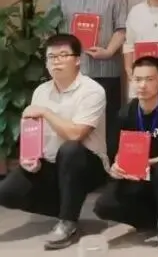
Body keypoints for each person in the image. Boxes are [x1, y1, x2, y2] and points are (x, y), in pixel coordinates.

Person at [0, 34, 109, 250]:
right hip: (51, 164)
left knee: (70, 149)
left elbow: (76, 134)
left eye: (63, 55)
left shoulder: (92, 90)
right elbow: (33, 131)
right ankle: (67, 207)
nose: (56, 61)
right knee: (7, 193)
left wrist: (46, 112)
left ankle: (67, 222)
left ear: (77, 60)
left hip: (87, 164)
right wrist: (30, 157)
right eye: (51, 57)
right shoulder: (41, 91)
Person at [93, 56, 158, 251]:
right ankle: (154, 219)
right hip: (137, 176)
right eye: (137, 79)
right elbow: (117, 153)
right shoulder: (125, 112)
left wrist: (151, 162)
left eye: (149, 79)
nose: (142, 85)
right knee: (103, 206)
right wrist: (116, 167)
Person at [49, 0, 128, 158]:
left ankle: (106, 166)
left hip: (105, 69)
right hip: (70, 73)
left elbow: (121, 29)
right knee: (70, 120)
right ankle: (70, 162)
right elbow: (50, 28)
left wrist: (108, 51)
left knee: (107, 121)